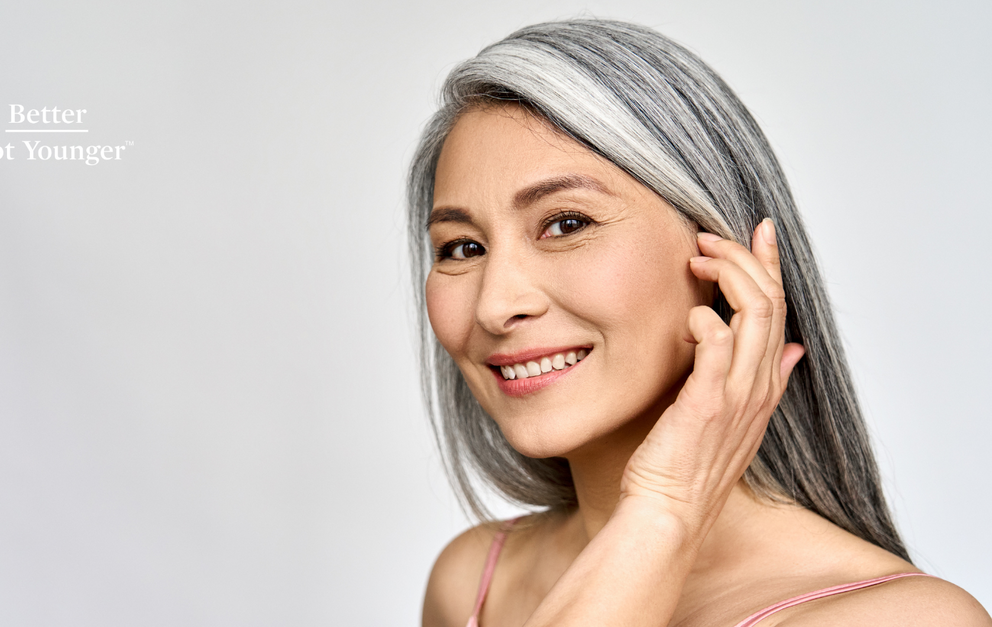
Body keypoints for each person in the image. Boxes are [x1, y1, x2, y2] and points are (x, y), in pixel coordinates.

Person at [406, 19, 991, 627]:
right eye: (462, 248)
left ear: (722, 256)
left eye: (567, 224)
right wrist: (663, 516)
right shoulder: (475, 578)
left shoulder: (903, 619)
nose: (495, 306)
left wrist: (666, 507)